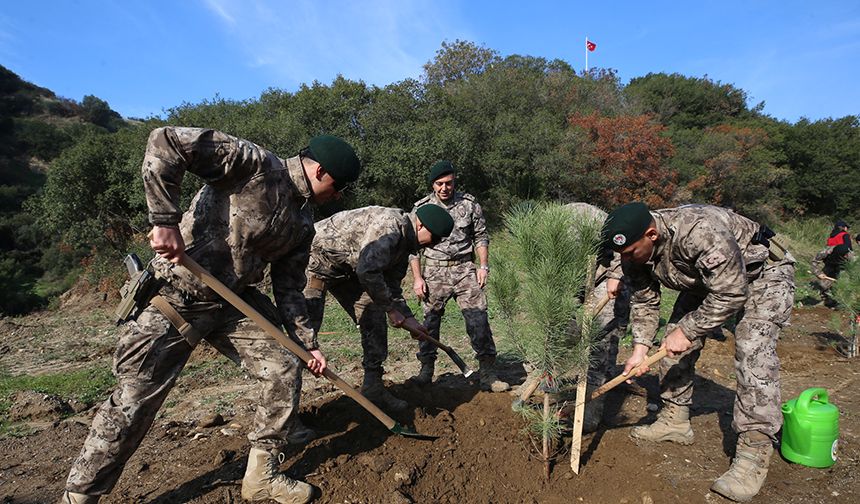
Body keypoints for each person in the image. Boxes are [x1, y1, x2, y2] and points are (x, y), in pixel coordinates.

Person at [61, 128, 361, 504]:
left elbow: (289, 289)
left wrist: (308, 344)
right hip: (175, 294)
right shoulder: (254, 165)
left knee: (284, 367)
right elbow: (165, 141)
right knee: (133, 402)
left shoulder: (302, 225)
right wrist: (164, 221)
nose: (339, 195)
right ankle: (79, 496)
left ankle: (261, 478)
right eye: (339, 186)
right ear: (320, 172)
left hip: (232, 302)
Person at [604, 202, 795, 503]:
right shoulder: (632, 253)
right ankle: (675, 421)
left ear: (651, 235)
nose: (625, 260)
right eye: (621, 254)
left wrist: (689, 330)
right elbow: (645, 302)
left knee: (752, 350)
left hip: (761, 275)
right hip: (707, 281)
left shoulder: (698, 230)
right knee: (672, 341)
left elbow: (731, 292)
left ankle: (754, 451)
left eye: (629, 253)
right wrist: (639, 351)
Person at [303, 204, 454, 412]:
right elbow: (368, 271)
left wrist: (408, 318)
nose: (433, 244)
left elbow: (391, 287)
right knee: (304, 334)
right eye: (434, 238)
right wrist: (391, 310)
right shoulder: (390, 226)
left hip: (348, 270)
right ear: (420, 225)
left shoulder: (405, 245)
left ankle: (373, 387)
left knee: (373, 316)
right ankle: (286, 411)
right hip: (315, 262)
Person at [408, 161, 509, 392]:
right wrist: (417, 278)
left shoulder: (469, 205)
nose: (444, 188)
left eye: (449, 183)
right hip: (434, 271)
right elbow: (412, 247)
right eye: (439, 184)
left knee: (478, 319)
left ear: (454, 182)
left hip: (465, 270)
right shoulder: (421, 209)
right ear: (432, 185)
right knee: (429, 322)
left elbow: (481, 236)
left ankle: (487, 373)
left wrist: (483, 266)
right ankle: (426, 370)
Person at [563, 203, 631, 432]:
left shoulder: (591, 218)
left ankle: (592, 407)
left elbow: (623, 244)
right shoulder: (544, 231)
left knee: (601, 336)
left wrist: (616, 274)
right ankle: (551, 385)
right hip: (573, 277)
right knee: (561, 330)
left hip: (605, 272)